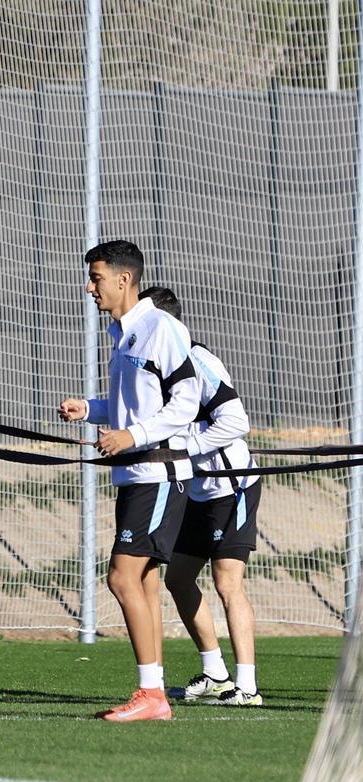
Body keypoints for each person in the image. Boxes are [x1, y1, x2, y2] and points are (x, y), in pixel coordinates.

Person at [57, 241, 200, 722]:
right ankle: (154, 694)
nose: (89, 286)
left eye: (96, 277)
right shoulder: (123, 334)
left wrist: (131, 435)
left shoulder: (161, 327)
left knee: (121, 576)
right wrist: (91, 410)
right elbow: (135, 403)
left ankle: (152, 695)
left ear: (124, 279)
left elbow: (185, 401)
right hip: (136, 475)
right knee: (140, 580)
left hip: (159, 472)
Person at [139, 287, 264, 707]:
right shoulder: (157, 365)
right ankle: (215, 675)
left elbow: (236, 421)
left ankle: (246, 687)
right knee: (177, 578)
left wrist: (187, 448)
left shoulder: (197, 361)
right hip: (194, 489)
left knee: (228, 582)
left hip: (231, 486)